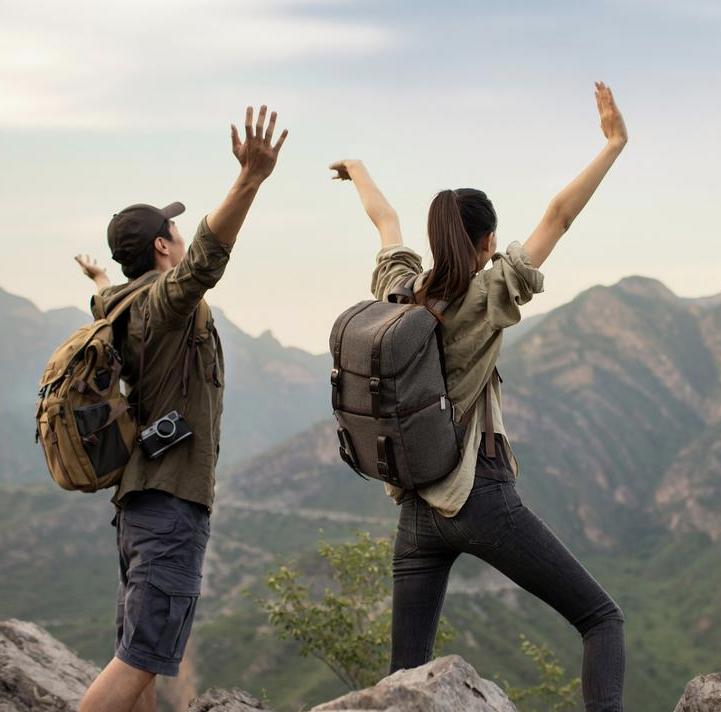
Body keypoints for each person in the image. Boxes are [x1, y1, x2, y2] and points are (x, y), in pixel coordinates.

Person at [332, 81, 628, 712]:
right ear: (488, 242)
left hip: (414, 511)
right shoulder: (486, 296)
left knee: (399, 680)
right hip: (479, 496)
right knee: (602, 620)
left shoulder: (399, 290)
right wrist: (613, 143)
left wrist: (358, 170)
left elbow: (385, 223)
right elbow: (557, 217)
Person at [77, 105, 287, 712]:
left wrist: (99, 276)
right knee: (141, 657)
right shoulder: (165, 304)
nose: (180, 238)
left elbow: (108, 296)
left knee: (136, 654)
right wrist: (249, 180)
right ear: (163, 247)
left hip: (137, 507)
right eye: (172, 232)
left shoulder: (116, 305)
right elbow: (206, 258)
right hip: (169, 505)